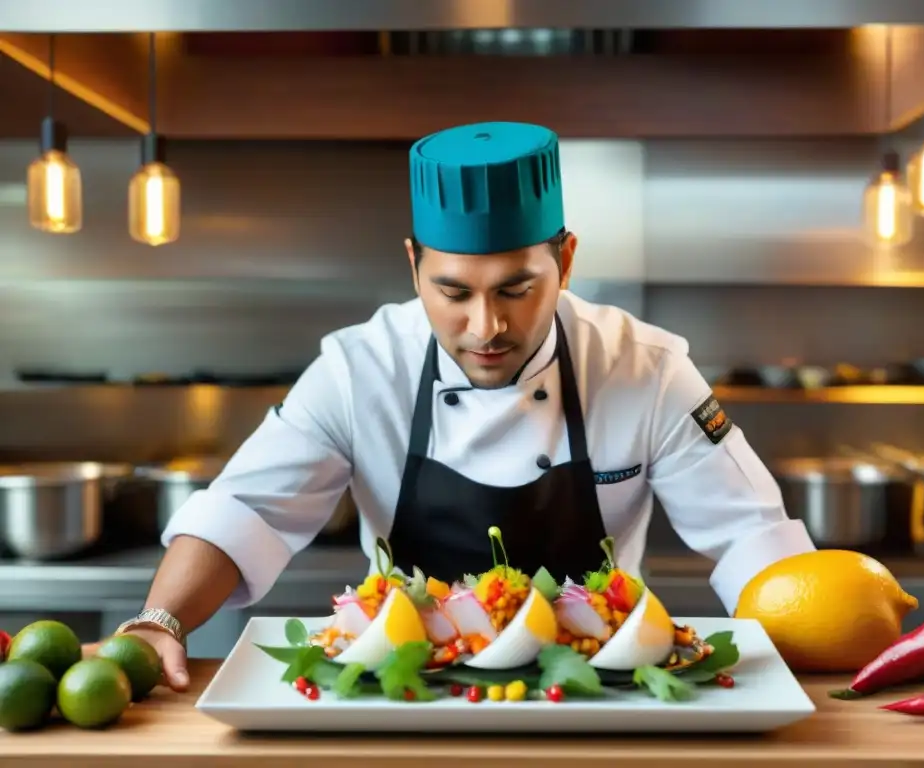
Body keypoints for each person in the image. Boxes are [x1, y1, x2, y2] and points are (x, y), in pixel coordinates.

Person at [101, 121, 815, 691]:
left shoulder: (647, 368)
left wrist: (819, 650)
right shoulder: (359, 368)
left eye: (515, 289)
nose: (486, 327)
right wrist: (158, 620)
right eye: (451, 292)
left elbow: (752, 538)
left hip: (596, 695)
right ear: (414, 264)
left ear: (564, 261)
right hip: (402, 690)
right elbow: (246, 510)